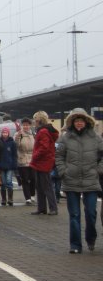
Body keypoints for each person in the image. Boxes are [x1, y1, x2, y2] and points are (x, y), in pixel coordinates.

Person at [55, 108, 103, 254]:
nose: (79, 123)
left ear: (87, 121)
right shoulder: (65, 138)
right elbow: (59, 156)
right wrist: (63, 171)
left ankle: (91, 237)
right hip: (71, 181)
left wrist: (98, 170)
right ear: (72, 122)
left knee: (91, 213)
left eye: (81, 121)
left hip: (91, 180)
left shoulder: (95, 137)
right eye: (76, 121)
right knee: (74, 215)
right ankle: (75, 245)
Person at [30, 111, 59, 216]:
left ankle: (52, 208)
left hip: (42, 162)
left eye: (35, 119)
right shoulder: (45, 130)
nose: (34, 121)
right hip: (43, 162)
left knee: (46, 186)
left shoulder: (42, 131)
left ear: (39, 120)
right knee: (41, 186)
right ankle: (42, 208)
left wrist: (35, 156)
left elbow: (44, 147)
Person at [15, 118, 36, 205]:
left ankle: (32, 194)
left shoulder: (34, 134)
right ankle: (27, 198)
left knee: (33, 179)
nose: (26, 126)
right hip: (22, 159)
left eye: (27, 125)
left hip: (33, 159)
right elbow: (16, 146)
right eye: (24, 125)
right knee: (25, 180)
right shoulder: (18, 134)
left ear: (30, 126)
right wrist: (18, 137)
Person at [0, 127, 18, 206]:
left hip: (9, 166)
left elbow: (14, 155)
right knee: (3, 183)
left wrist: (14, 164)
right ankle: (3, 199)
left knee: (9, 181)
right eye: (3, 132)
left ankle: (10, 199)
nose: (4, 134)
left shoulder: (12, 143)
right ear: (1, 133)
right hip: (1, 166)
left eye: (6, 132)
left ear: (8, 133)